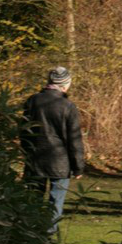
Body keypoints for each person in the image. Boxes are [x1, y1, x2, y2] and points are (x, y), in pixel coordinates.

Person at [20, 65, 85, 234]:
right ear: (65, 84)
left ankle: (29, 234)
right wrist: (78, 166)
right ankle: (48, 235)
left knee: (33, 200)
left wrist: (26, 152)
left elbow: (23, 131)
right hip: (60, 162)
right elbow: (74, 139)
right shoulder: (67, 106)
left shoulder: (32, 101)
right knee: (55, 202)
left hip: (35, 159)